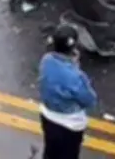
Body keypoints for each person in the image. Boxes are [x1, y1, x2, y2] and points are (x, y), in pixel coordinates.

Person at [39, 25, 98, 159]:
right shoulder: (75, 77)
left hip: (47, 116)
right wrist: (75, 66)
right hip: (69, 125)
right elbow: (89, 100)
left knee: (50, 153)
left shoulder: (46, 60)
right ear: (74, 48)